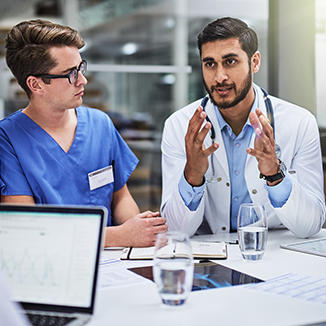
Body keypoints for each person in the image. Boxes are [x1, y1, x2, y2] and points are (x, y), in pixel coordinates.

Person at [0, 19, 167, 247]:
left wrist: (137, 230)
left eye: (81, 68)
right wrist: (120, 236)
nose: (83, 80)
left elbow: (120, 196)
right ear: (36, 85)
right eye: (70, 74)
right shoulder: (8, 139)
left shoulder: (100, 124)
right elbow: (26, 229)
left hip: (112, 263)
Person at [161, 17, 325, 238]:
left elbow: (310, 226)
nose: (219, 77)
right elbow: (174, 230)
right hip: (210, 256)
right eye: (210, 64)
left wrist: (274, 175)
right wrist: (192, 174)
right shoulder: (178, 126)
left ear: (254, 62)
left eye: (230, 61)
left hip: (276, 255)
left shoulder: (299, 123)